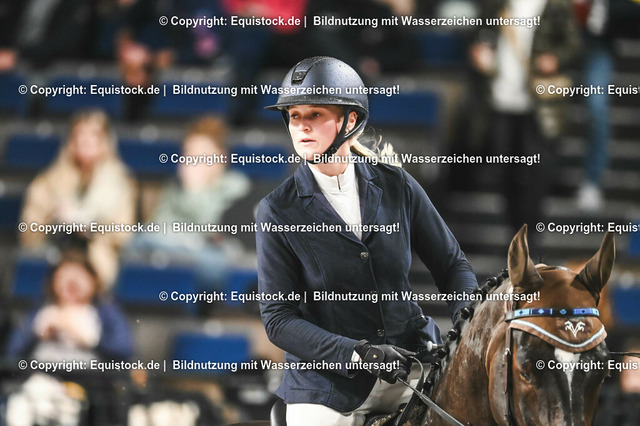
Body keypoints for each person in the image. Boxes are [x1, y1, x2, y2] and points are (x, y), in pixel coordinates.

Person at [256, 56, 478, 425]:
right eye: (294, 116)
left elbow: (452, 265)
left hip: (413, 368)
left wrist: (467, 319)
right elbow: (279, 320)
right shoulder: (277, 210)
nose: (302, 126)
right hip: (328, 387)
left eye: (315, 114)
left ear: (350, 120)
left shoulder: (397, 185)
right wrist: (358, 353)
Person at [130, 116, 251, 291]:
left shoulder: (236, 186)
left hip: (211, 258)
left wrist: (195, 190)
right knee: (138, 243)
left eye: (201, 156)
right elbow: (159, 225)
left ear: (221, 158)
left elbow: (214, 230)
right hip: (173, 250)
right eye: (188, 155)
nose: (192, 162)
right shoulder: (175, 185)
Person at [19, 109, 137, 288]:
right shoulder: (48, 181)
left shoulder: (121, 183)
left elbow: (123, 234)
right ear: (70, 141)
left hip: (97, 261)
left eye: (94, 135)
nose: (86, 141)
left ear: (105, 142)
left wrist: (86, 226)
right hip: (55, 254)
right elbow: (30, 231)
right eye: (79, 135)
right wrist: (55, 217)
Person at [6, 253, 133, 362]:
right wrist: (35, 333)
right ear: (52, 283)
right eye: (64, 276)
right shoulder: (41, 309)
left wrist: (89, 340)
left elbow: (124, 350)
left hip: (91, 378)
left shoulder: (106, 311)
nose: (71, 283)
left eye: (79, 276)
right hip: (41, 375)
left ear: (93, 281)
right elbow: (12, 352)